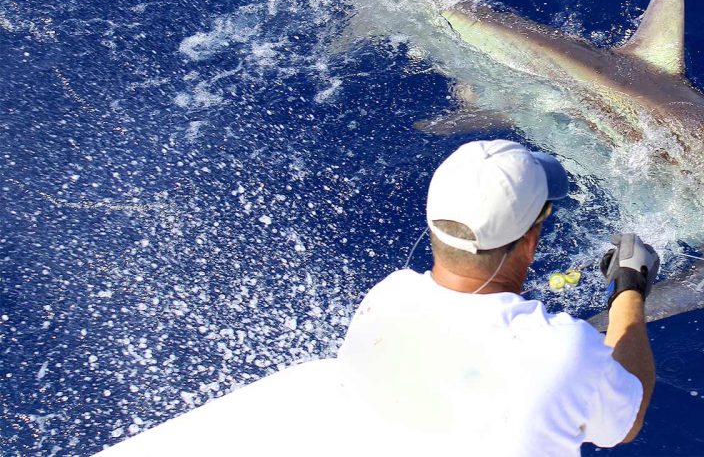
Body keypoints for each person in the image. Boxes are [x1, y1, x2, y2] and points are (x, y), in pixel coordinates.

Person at [96, 139, 658, 457]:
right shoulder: (561, 349)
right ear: (532, 240)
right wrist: (629, 289)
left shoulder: (385, 299)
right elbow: (624, 421)